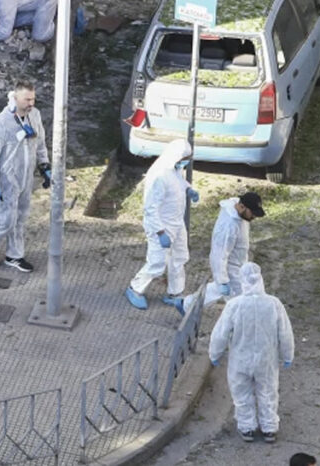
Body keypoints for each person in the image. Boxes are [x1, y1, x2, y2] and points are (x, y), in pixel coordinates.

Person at [209, 262, 295, 444]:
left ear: (243, 281)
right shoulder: (274, 304)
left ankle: (247, 427)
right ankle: (269, 428)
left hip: (240, 359)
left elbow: (220, 333)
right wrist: (287, 355)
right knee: (268, 392)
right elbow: (285, 333)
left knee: (241, 393)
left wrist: (214, 354)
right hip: (266, 359)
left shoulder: (234, 305)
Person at [0, 79, 50, 273]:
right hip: (7, 179)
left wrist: (45, 166)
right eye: (27, 99)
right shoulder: (1, 123)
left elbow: (40, 143)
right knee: (7, 220)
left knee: (21, 217)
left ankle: (14, 256)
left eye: (33, 99)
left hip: (26, 176)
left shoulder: (34, 115)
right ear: (16, 98)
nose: (31, 103)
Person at [125, 140, 199, 313]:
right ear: (177, 157)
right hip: (161, 226)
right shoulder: (159, 175)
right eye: (185, 159)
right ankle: (135, 288)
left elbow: (178, 182)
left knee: (180, 257)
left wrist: (188, 189)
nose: (186, 162)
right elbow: (150, 208)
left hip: (176, 222)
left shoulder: (173, 168)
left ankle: (175, 292)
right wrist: (160, 232)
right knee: (157, 262)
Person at [208, 192, 266, 299]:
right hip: (231, 268)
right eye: (252, 213)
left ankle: (185, 304)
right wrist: (222, 281)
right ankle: (187, 304)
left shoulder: (240, 214)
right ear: (242, 207)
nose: (254, 216)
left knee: (216, 291)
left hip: (240, 264)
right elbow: (218, 254)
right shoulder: (228, 226)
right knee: (241, 300)